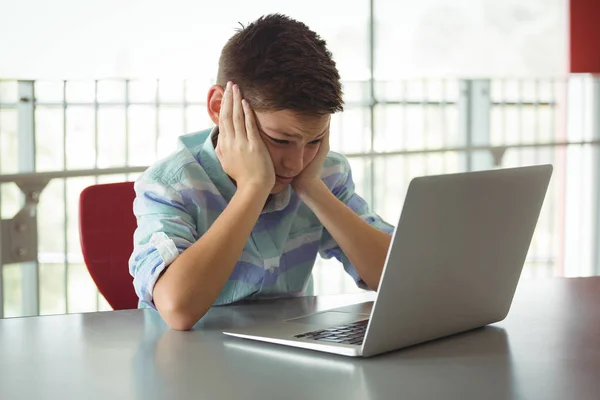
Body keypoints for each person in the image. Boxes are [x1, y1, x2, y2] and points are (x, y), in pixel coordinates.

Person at [128, 13, 394, 330]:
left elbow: (398, 278)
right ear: (219, 107)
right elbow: (178, 309)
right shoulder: (171, 184)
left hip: (285, 361)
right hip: (189, 365)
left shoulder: (321, 173)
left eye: (315, 140)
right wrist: (252, 188)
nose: (296, 163)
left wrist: (312, 189)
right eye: (280, 140)